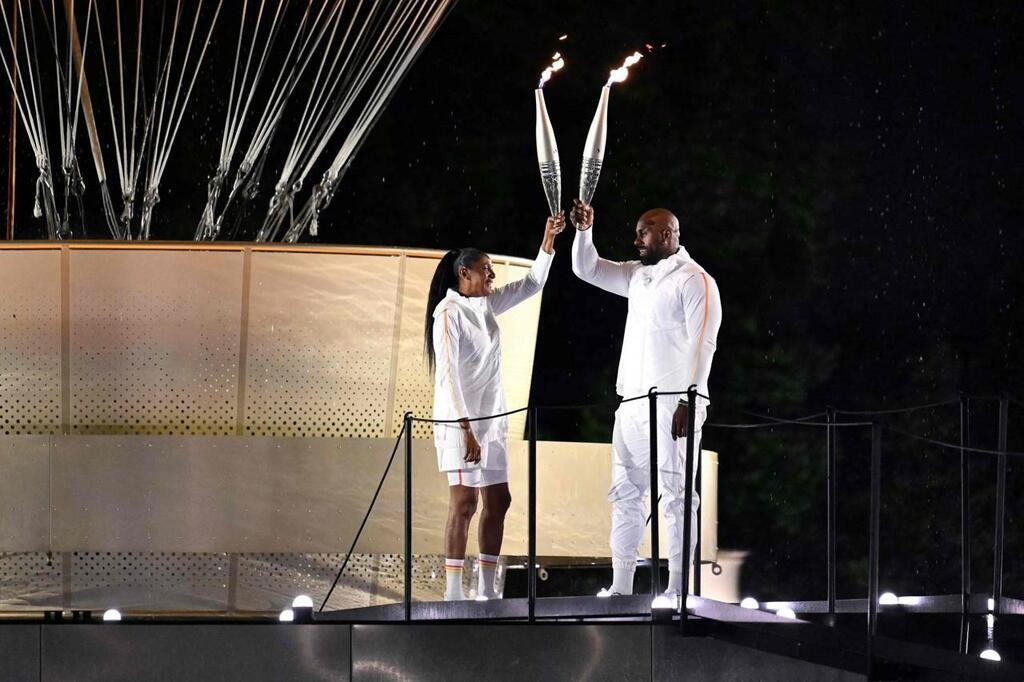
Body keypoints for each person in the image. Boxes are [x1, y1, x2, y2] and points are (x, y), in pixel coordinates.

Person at [570, 199, 722, 600]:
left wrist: (692, 399)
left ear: (668, 234)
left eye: (643, 232)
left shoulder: (695, 279)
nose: (635, 239)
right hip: (632, 403)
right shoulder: (637, 276)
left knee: (677, 497)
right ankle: (620, 587)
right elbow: (585, 268)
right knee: (625, 493)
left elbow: (704, 343)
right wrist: (584, 231)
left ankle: (677, 590)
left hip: (675, 405)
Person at [425, 212, 565, 601]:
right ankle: (454, 592)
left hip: (491, 421)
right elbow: (448, 377)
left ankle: (486, 589)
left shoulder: (485, 304)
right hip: (460, 423)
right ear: (463, 274)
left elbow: (533, 284)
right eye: (485, 270)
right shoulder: (448, 314)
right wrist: (465, 427)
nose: (492, 276)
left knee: (499, 500)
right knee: (465, 502)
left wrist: (547, 239)